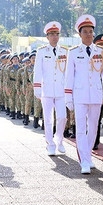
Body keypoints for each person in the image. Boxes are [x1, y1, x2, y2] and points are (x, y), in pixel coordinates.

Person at [65, 14, 103, 174]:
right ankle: (83, 160)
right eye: (85, 32)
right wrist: (68, 97)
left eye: (91, 31)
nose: (89, 34)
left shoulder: (101, 51)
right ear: (79, 34)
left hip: (96, 95)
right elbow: (69, 76)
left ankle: (88, 154)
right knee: (80, 128)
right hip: (79, 95)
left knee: (93, 128)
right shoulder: (73, 52)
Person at [33, 21, 68, 156]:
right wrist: (37, 88)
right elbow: (38, 71)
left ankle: (59, 139)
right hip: (46, 90)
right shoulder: (42, 51)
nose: (54, 36)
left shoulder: (65, 51)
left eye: (56, 34)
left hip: (60, 90)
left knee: (62, 117)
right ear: (47, 37)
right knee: (47, 119)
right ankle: (50, 143)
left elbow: (67, 72)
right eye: (51, 34)